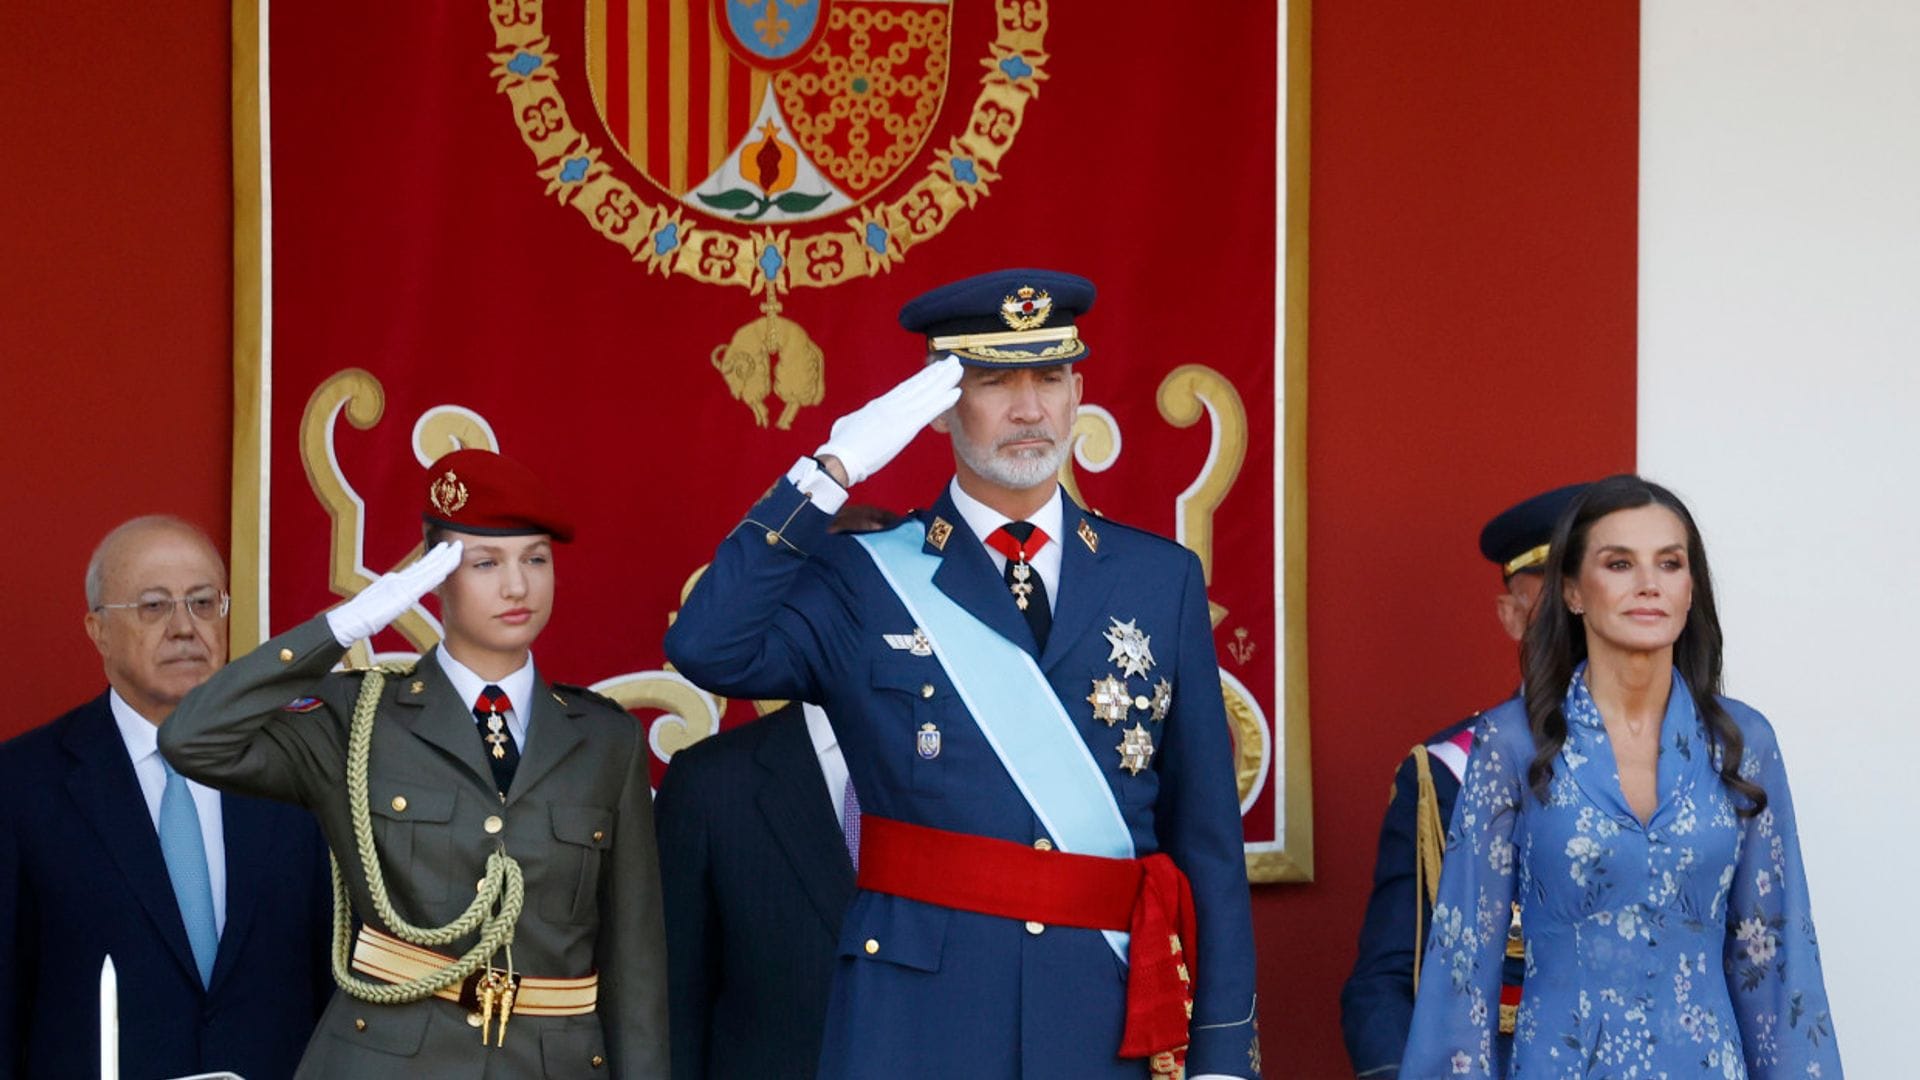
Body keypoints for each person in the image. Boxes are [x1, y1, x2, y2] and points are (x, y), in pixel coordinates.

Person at [664, 269, 1260, 1080]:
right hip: (917, 1022)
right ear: (941, 404)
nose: (1028, 409)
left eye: (1049, 377)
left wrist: (1222, 1058)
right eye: (992, 381)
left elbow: (1208, 844)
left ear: (1077, 388)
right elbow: (708, 646)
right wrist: (826, 473)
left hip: (1102, 1014)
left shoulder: (1158, 579)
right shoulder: (864, 575)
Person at [160, 450, 668, 1078]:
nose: (518, 586)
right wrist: (340, 627)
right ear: (434, 577)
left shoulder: (603, 738)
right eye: (485, 563)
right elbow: (193, 738)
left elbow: (635, 962)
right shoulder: (359, 717)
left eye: (536, 559)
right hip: (389, 1060)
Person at [1400, 475, 1841, 1078]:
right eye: (1619, 564)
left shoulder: (1743, 743)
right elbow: (1463, 960)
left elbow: (1775, 962)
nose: (1648, 585)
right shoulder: (1512, 743)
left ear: (1691, 590)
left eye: (1669, 563)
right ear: (1574, 592)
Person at [0, 515, 332, 1079]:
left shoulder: (299, 767)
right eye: (154, 606)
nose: (185, 627)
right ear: (97, 629)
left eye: (203, 603)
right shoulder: (22, 784)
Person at [1340, 483, 1584, 1077]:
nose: (1578, 610)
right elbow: (1387, 982)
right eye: (1553, 594)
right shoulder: (1450, 772)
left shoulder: (1700, 757)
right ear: (1511, 616)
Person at [655, 506, 895, 1080]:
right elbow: (673, 1007)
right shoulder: (711, 784)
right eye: (837, 596)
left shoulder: (979, 774)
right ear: (790, 609)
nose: (862, 620)